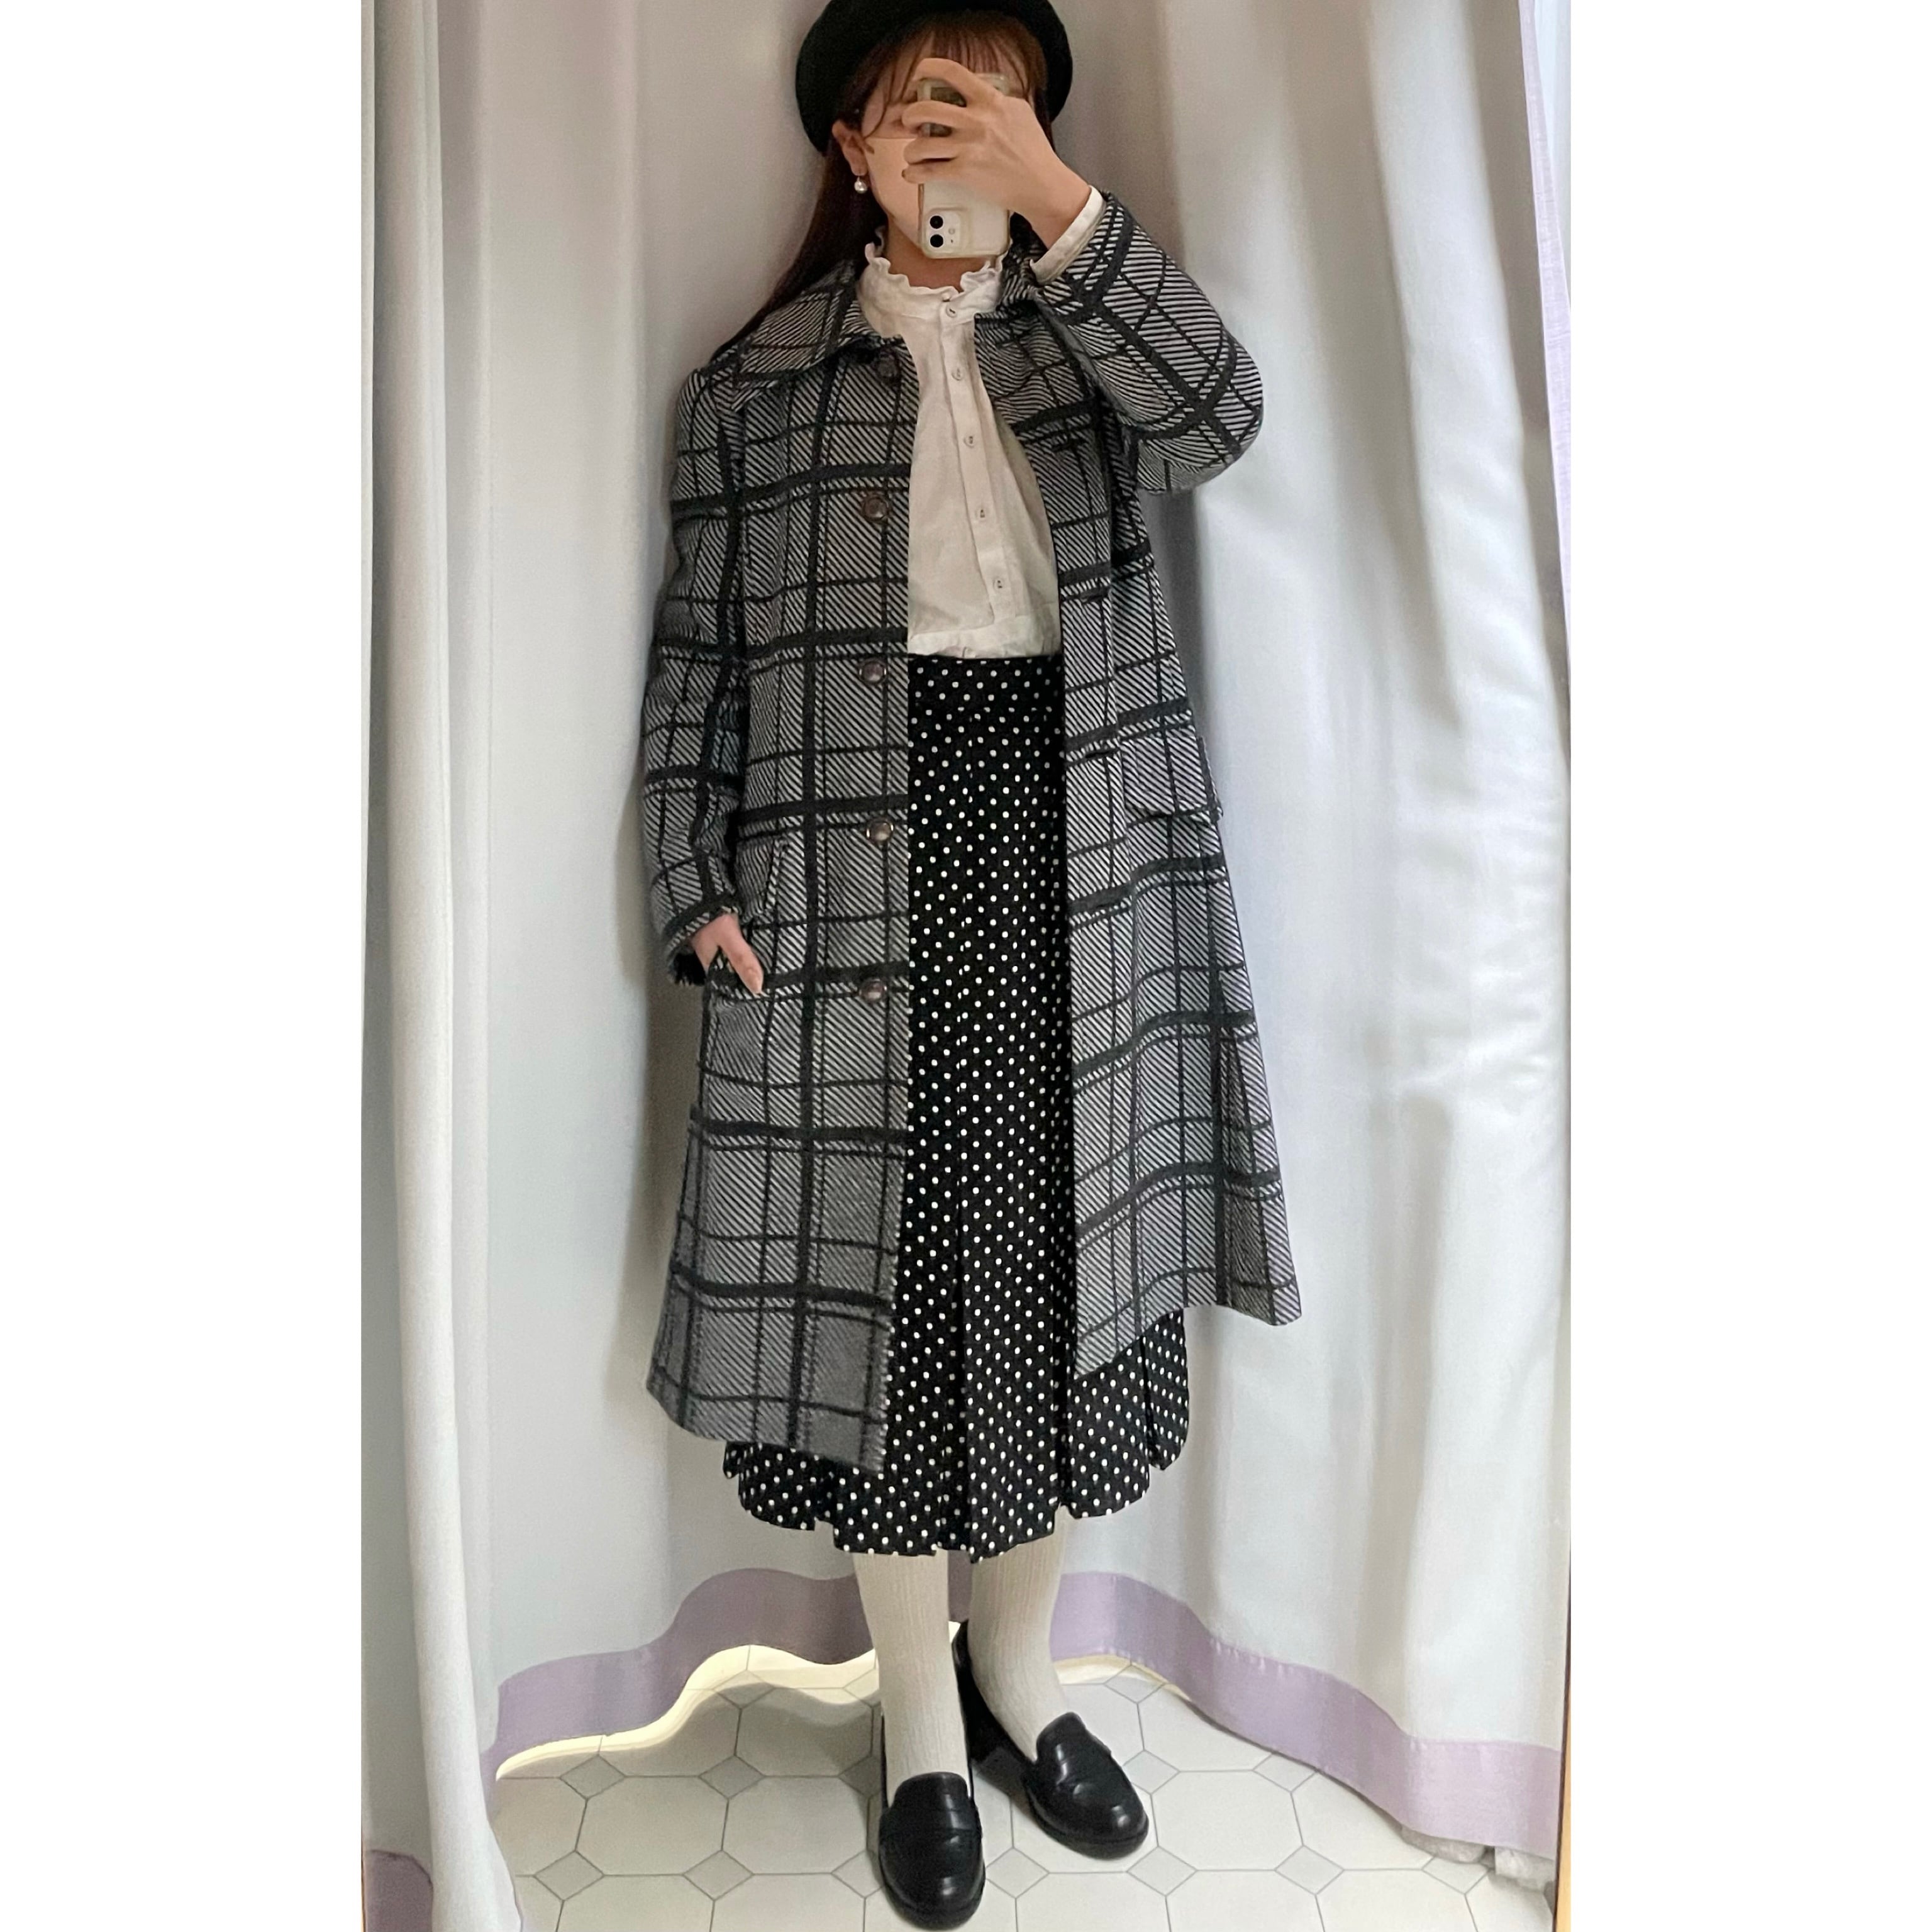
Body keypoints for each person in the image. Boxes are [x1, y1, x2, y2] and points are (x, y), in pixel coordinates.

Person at [636, 3, 1301, 1923]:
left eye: (992, 106)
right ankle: (919, 1719)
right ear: (848, 150)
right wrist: (693, 879)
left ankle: (1026, 1675)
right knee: (889, 1303)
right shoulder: (753, 389)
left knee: (1072, 1274)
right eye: (919, 111)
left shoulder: (1098, 336)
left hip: (1085, 856)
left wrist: (1065, 214)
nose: (954, 139)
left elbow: (1224, 420)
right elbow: (696, 664)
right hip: (840, 873)